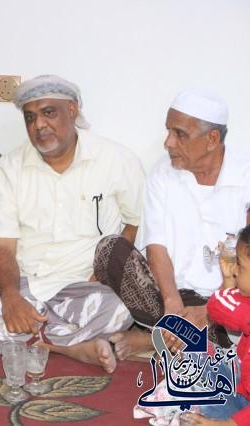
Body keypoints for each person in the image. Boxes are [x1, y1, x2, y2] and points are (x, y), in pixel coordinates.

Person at [0, 75, 144, 373]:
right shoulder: (9, 169)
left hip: (84, 288)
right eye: (30, 117)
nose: (39, 125)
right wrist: (11, 298)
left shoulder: (115, 159)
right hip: (24, 282)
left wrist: (106, 272)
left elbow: (136, 222)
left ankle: (34, 340)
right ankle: (70, 345)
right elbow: (1, 246)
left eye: (49, 112)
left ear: (72, 110)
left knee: (120, 307)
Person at [94, 89, 249, 359]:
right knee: (109, 250)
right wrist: (172, 303)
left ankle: (154, 338)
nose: (168, 142)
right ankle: (177, 336)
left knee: (236, 322)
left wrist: (209, 311)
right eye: (169, 131)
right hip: (166, 295)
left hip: (225, 301)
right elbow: (156, 245)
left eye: (180, 134)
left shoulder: (245, 175)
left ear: (212, 139)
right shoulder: (163, 172)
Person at [183, 225, 250, 425]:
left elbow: (217, 306)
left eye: (240, 265)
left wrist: (227, 424)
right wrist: (228, 279)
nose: (235, 270)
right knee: (195, 357)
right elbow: (219, 309)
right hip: (243, 391)